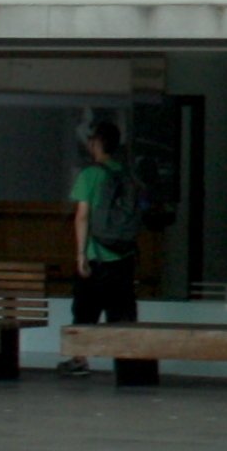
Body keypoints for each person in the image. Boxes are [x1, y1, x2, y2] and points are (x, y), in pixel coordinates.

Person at [56, 122, 140, 374]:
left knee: (84, 310)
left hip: (96, 256)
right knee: (122, 314)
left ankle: (79, 360)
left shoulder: (90, 174)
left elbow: (82, 216)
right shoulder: (127, 174)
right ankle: (127, 363)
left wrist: (80, 254)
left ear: (96, 144)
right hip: (124, 256)